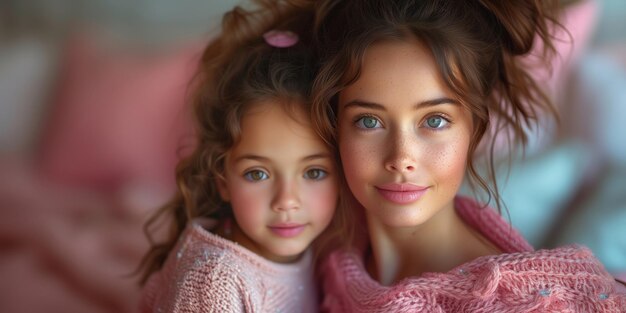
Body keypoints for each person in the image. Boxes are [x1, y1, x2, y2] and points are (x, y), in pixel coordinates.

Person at [310, 0, 626, 311]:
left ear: (474, 129)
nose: (401, 157)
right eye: (369, 121)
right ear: (335, 127)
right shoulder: (332, 254)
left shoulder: (517, 302)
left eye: (434, 121)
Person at [137, 1, 347, 312]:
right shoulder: (215, 285)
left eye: (314, 172)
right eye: (258, 174)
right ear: (222, 179)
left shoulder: (319, 250)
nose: (287, 200)